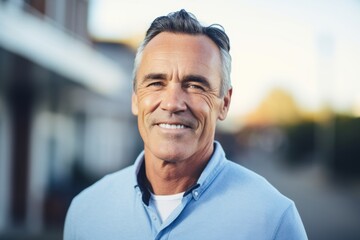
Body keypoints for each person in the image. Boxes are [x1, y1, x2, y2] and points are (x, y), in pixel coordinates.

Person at [64, 9, 307, 239]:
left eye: (195, 85)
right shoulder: (85, 211)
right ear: (135, 99)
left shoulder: (273, 220)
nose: (172, 103)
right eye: (156, 83)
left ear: (224, 103)